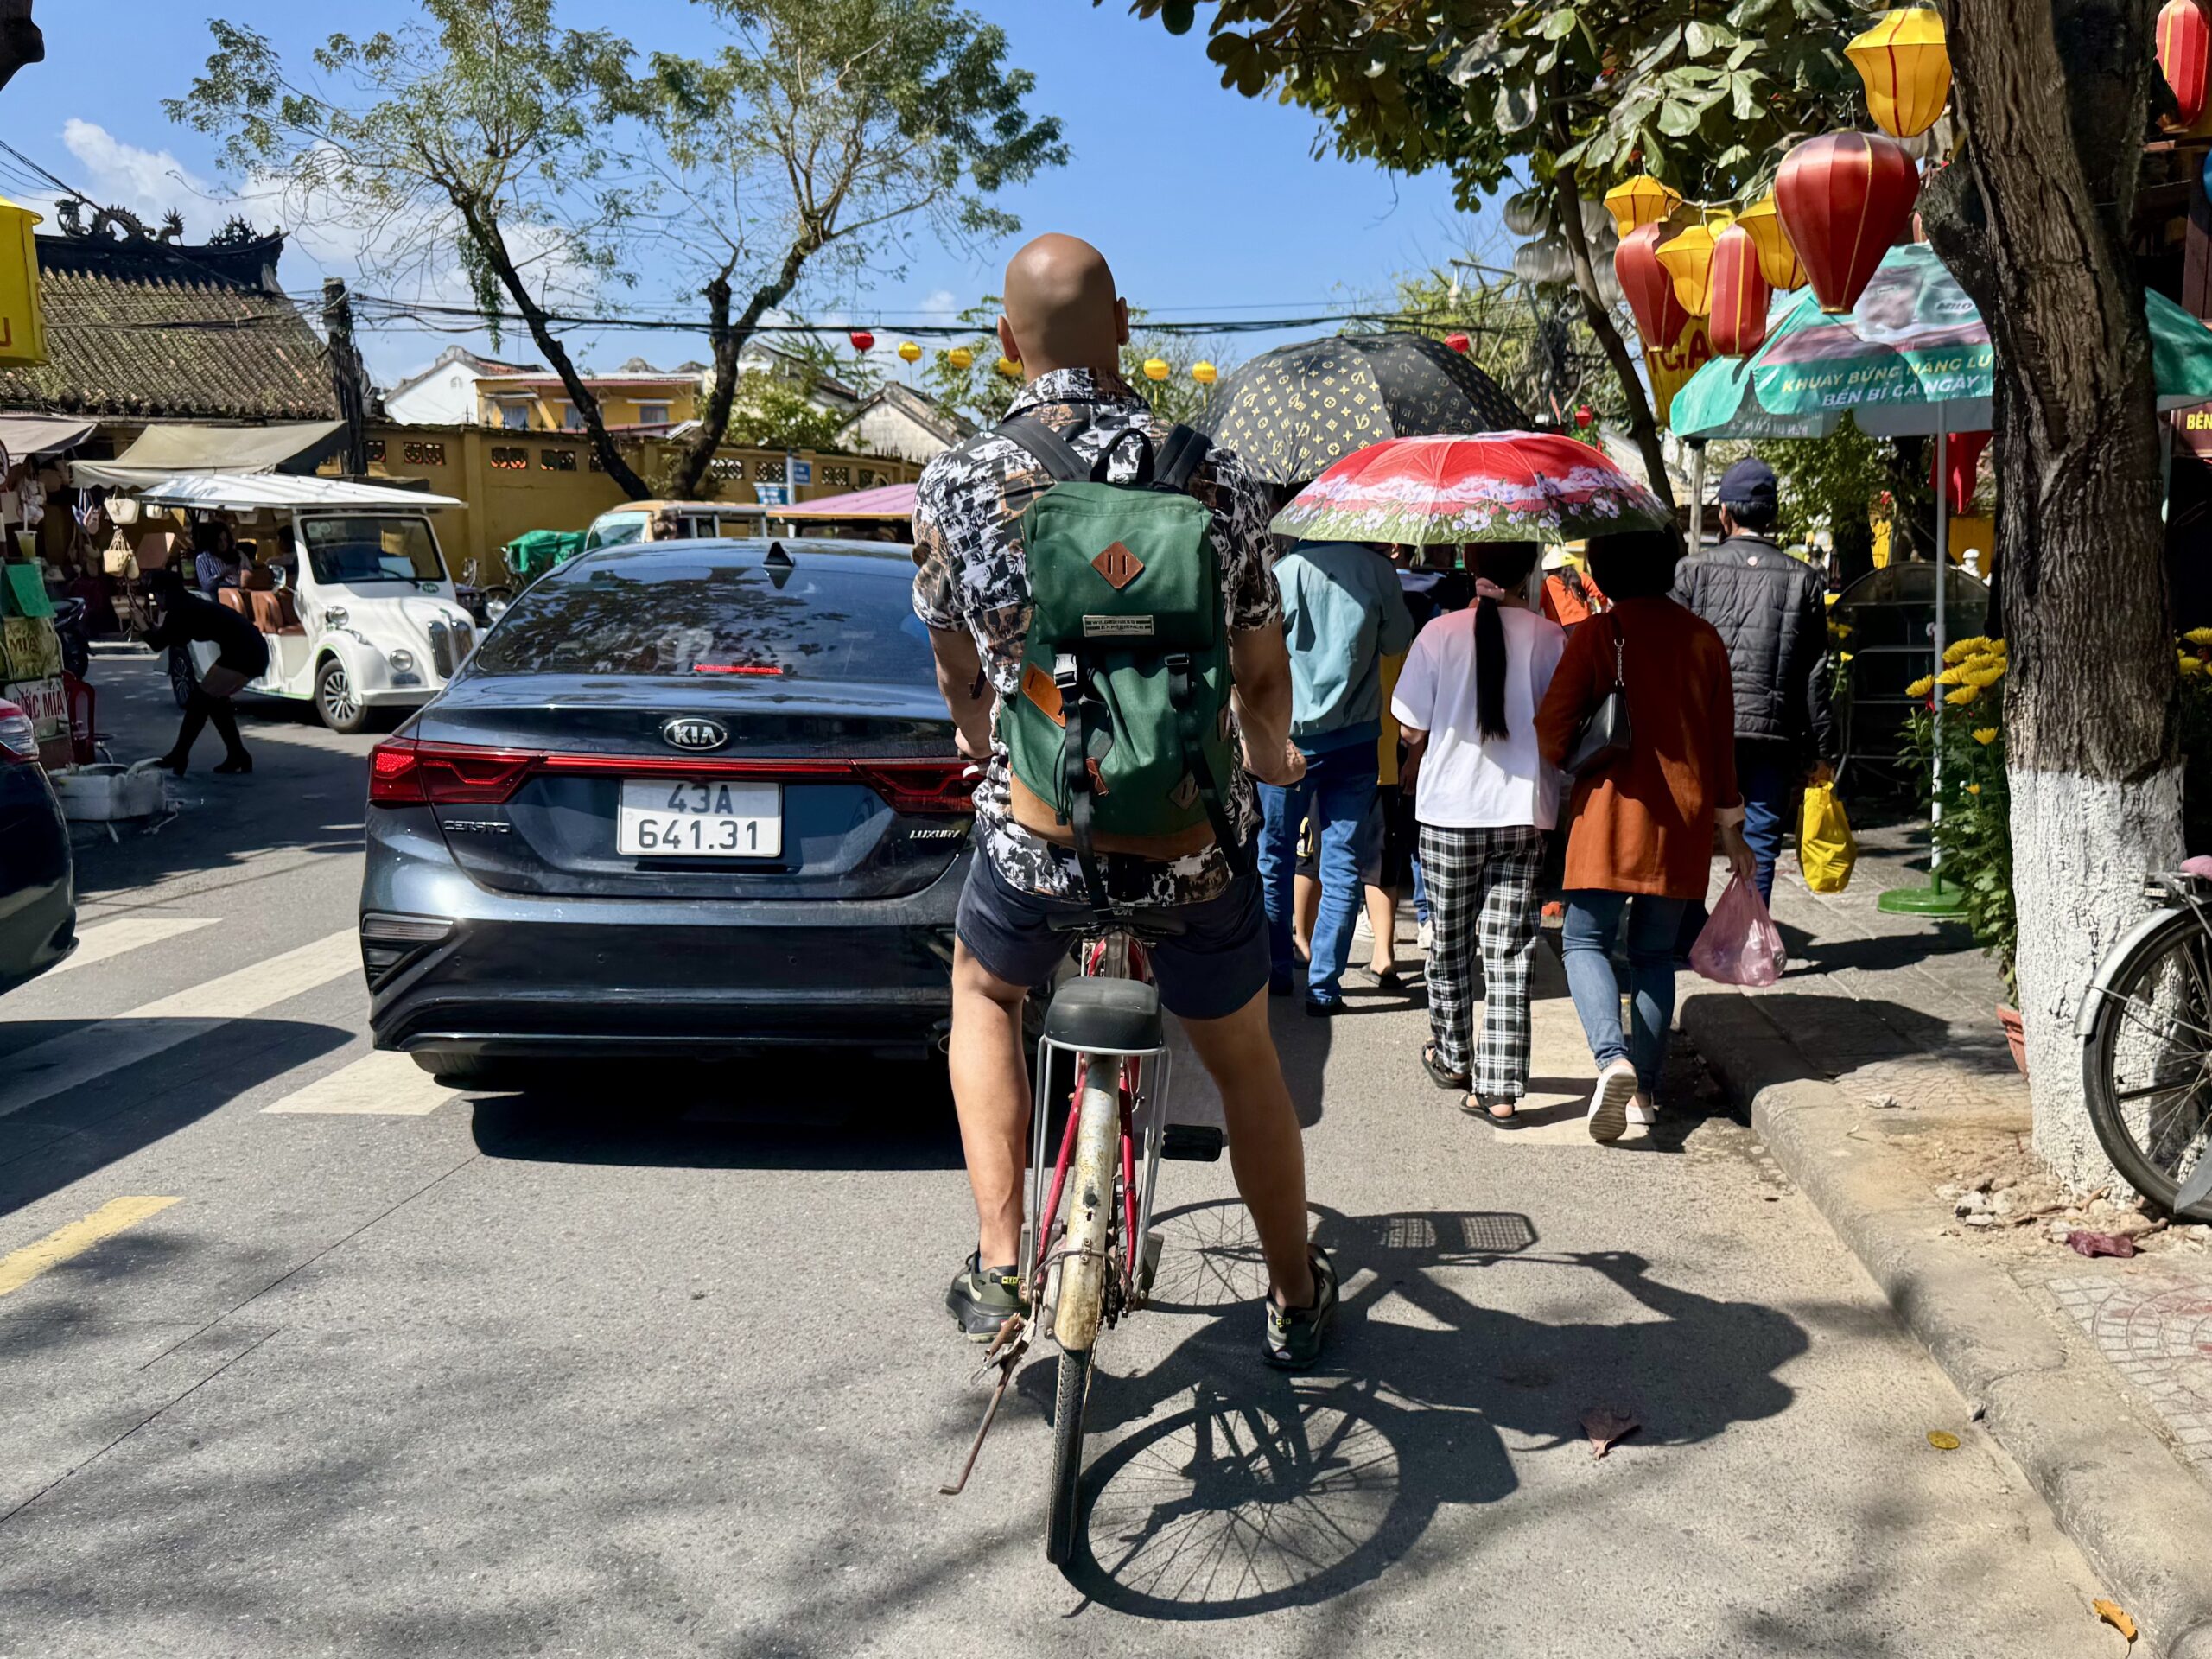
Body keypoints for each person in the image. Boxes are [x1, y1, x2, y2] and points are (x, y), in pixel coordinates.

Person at [912, 232, 1335, 1370]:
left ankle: (1003, 1261)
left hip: (1040, 836)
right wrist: (1270, 748)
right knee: (1246, 1055)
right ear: (1127, 326)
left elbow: (959, 663)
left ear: (1006, 342)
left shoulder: (956, 482)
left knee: (988, 995)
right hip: (1190, 841)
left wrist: (980, 738)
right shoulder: (1219, 476)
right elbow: (1257, 670)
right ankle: (1294, 1293)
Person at [1536, 529, 1756, 1144]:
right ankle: (1648, 1093)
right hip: (1680, 826)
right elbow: (1721, 750)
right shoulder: (1703, 639)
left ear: (1601, 573)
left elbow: (1551, 733)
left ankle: (1614, 1061)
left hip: (1608, 817)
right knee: (1655, 956)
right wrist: (1733, 831)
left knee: (1584, 942)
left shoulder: (1599, 635)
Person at [1392, 542, 1567, 1124]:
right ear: (1528, 571)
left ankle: (1454, 1055)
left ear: (1470, 567)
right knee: (1510, 951)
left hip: (1449, 813)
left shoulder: (1439, 635)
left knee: (1448, 943)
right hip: (1523, 811)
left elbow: (1410, 727)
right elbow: (1567, 725)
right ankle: (1500, 1089)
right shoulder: (1550, 638)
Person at [1670, 457, 1840, 905]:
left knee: (1695, 826)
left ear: (1725, 514)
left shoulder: (1692, 572)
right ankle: (1749, 938)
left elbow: (1673, 655)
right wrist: (1823, 749)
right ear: (1773, 515)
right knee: (1762, 835)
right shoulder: (1804, 579)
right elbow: (1814, 672)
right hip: (1773, 729)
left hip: (1704, 729)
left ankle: (1687, 934)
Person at [1255, 536, 1414, 1014]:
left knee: (1276, 855)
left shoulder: (1286, 571)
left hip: (1289, 740)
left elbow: (1258, 651)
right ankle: (1324, 984)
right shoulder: (1378, 571)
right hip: (1358, 739)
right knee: (1343, 862)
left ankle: (1276, 968)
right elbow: (1397, 641)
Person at [142, 566, 266, 776]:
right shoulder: (185, 605)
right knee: (213, 701)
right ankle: (237, 754)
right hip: (250, 648)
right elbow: (174, 638)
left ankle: (180, 754)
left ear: (164, 593)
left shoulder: (180, 611)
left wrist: (142, 627)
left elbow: (157, 643)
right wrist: (149, 627)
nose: (156, 601)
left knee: (199, 701)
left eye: (156, 595)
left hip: (246, 652)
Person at [194, 521, 242, 598]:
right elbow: (206, 585)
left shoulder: (233, 555)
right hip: (216, 598)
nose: (223, 544)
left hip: (235, 592)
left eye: (225, 540)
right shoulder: (203, 558)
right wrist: (221, 575)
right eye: (219, 540)